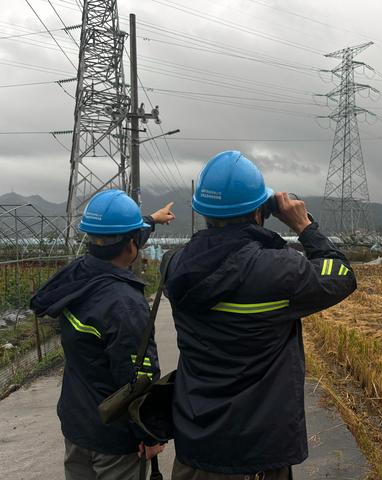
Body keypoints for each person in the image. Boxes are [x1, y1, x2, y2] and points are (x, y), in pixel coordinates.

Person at [164, 150, 357, 479]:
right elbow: (340, 274)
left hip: (195, 445)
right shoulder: (277, 270)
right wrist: (305, 227)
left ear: (202, 210)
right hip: (258, 453)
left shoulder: (173, 264)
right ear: (260, 211)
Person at [30, 189, 176, 480]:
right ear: (132, 244)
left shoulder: (76, 276)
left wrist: (151, 220)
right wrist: (148, 435)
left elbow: (114, 243)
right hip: (114, 439)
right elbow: (137, 378)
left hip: (77, 423)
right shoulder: (124, 304)